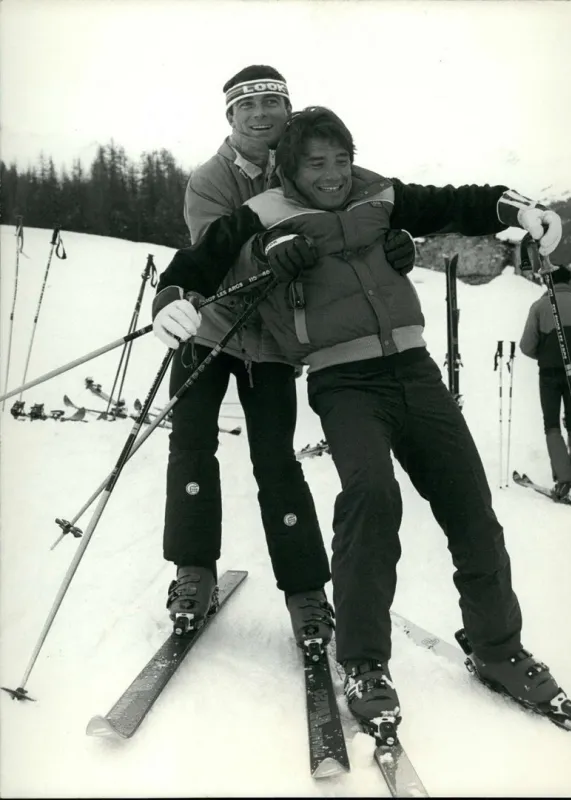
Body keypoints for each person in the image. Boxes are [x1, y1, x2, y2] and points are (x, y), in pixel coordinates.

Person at [154, 106, 571, 737]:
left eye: (341, 160)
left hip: (416, 369)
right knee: (372, 499)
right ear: (289, 169)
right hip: (344, 381)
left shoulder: (381, 195)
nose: (332, 175)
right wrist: (171, 300)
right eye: (315, 164)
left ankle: (498, 647)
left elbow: (462, 202)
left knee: (470, 503)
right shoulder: (263, 213)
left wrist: (520, 209)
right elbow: (198, 262)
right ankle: (364, 663)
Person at [152, 67, 412, 649]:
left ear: (287, 110)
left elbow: (343, 224)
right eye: (248, 105)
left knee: (276, 462)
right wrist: (279, 248)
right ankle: (193, 571)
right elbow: (218, 255)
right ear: (231, 116)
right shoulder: (210, 179)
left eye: (272, 101)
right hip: (209, 331)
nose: (261, 113)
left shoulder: (303, 167)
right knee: (191, 446)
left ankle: (305, 590)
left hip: (270, 341)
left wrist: (391, 245)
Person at [519, 264, 571, 507]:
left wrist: (547, 355)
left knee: (551, 425)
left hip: (549, 375)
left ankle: (565, 481)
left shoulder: (540, 306)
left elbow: (526, 346)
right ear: (570, 283)